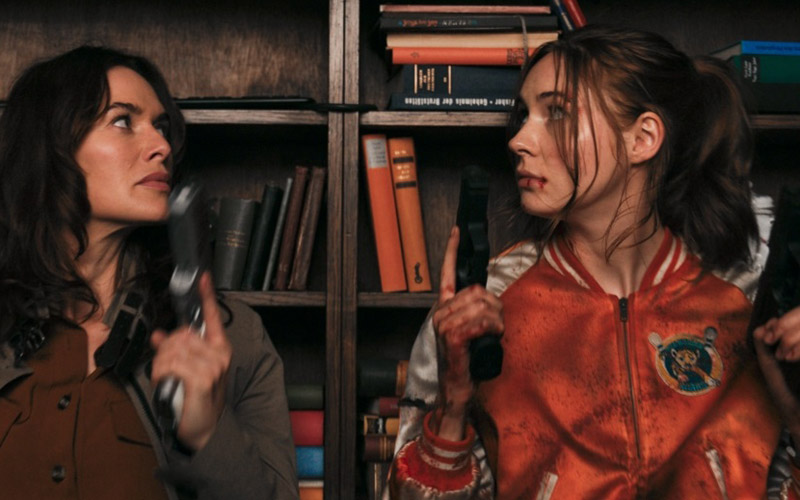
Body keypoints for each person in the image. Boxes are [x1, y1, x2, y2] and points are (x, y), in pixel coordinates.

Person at [388, 25, 800, 499]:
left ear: (642, 138)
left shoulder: (745, 304)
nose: (518, 140)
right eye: (523, 116)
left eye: (556, 112)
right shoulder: (484, 304)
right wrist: (452, 408)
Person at [0, 46, 298, 499]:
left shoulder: (232, 337)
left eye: (161, 127)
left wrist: (208, 433)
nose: (162, 147)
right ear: (51, 147)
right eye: (123, 121)